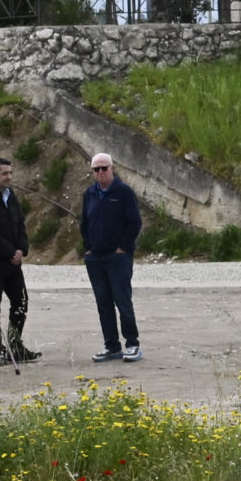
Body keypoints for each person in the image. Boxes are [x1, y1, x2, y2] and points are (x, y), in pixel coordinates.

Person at [79, 152, 143, 365]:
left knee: (122, 301)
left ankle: (132, 343)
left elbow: (134, 223)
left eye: (104, 168)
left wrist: (122, 248)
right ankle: (111, 345)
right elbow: (84, 223)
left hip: (118, 258)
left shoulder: (123, 192)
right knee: (103, 303)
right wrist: (88, 248)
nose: (100, 173)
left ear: (112, 169)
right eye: (96, 170)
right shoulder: (89, 194)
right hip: (95, 258)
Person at [0, 153, 40, 365]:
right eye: (4, 173)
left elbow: (20, 224)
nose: (9, 177)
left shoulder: (10, 195)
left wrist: (22, 249)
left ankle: (15, 344)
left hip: (14, 263)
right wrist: (9, 252)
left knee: (21, 301)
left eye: (10, 173)